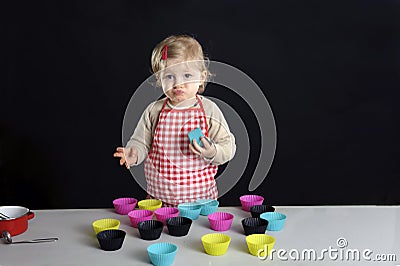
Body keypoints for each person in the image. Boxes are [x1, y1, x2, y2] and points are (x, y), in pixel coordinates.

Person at [113, 34, 236, 207]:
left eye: (186, 75)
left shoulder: (209, 110)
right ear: (159, 79)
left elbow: (228, 147)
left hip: (201, 202)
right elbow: (141, 141)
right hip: (160, 202)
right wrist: (134, 153)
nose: (178, 84)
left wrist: (212, 152)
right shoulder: (154, 111)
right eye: (169, 76)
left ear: (201, 77)